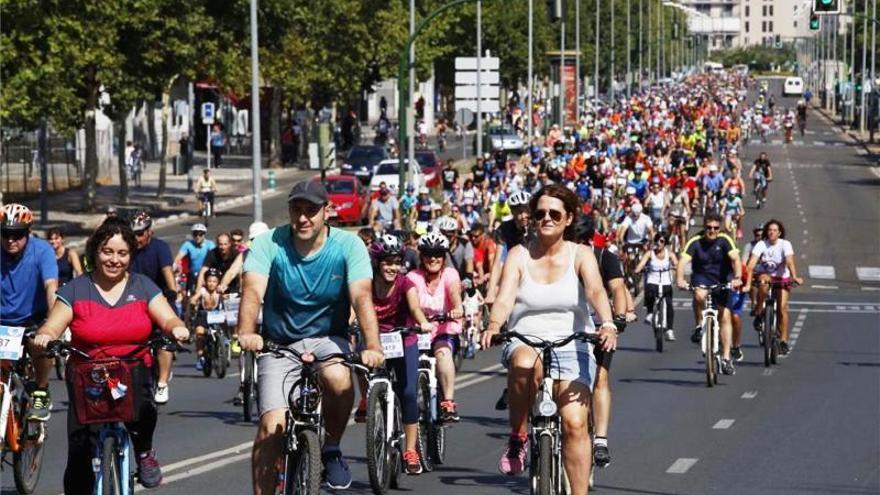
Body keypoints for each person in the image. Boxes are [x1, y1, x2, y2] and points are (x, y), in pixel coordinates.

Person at [238, 180, 384, 493]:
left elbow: (361, 296)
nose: (303, 218)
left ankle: (331, 447)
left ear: (326, 212)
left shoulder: (348, 246)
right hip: (280, 343)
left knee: (339, 379)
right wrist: (248, 332)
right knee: (271, 427)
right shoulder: (269, 243)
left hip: (328, 337)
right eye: (297, 209)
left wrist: (373, 346)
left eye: (311, 211)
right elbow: (252, 289)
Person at [32, 218, 189, 492]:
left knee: (144, 410)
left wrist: (177, 329)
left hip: (132, 370)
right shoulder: (76, 289)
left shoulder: (143, 286)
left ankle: (144, 452)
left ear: (130, 255)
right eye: (108, 252)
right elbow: (54, 323)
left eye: (122, 253)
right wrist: (47, 335)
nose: (114, 260)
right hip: (87, 375)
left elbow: (168, 318)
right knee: (80, 452)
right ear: (95, 252)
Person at [480, 185, 617, 495]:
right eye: (540, 213)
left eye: (554, 213)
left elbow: (596, 291)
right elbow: (504, 297)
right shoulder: (519, 254)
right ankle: (518, 436)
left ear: (568, 218)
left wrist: (607, 323)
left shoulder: (581, 254)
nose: (546, 218)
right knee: (525, 362)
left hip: (572, 341)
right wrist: (494, 324)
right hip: (525, 337)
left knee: (574, 422)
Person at [368, 234, 423, 474]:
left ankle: (410, 450)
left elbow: (414, 307)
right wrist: (348, 321)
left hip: (404, 338)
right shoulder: (366, 283)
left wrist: (422, 322)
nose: (392, 267)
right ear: (377, 263)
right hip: (375, 339)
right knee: (356, 362)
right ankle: (366, 403)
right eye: (387, 262)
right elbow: (354, 307)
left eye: (396, 262)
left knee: (408, 391)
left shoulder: (405, 283)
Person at [0, 204, 58, 421]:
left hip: (32, 320)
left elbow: (51, 287)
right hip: (2, 322)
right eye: (5, 234)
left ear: (28, 232)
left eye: (17, 235)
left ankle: (41, 390)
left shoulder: (42, 251)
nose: (10, 240)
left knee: (39, 344)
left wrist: (52, 326)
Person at [405, 231, 464, 422]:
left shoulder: (450, 274)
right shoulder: (413, 276)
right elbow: (413, 304)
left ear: (444, 256)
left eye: (438, 254)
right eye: (428, 254)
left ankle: (448, 401)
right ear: (421, 256)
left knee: (443, 354)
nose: (433, 258)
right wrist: (422, 322)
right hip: (419, 330)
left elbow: (454, 292)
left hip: (444, 329)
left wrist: (457, 307)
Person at [675, 212, 742, 376]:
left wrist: (738, 277)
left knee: (725, 317)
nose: (712, 231)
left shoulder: (725, 240)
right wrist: (679, 279)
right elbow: (683, 261)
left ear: (719, 228)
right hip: (701, 277)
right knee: (698, 295)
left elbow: (735, 259)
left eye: (715, 228)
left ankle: (726, 358)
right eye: (708, 227)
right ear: (704, 227)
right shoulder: (695, 241)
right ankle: (699, 325)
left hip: (722, 279)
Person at [743, 219, 804, 356]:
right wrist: (747, 279)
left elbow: (789, 261)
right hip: (766, 275)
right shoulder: (761, 244)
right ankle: (759, 313)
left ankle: (783, 341)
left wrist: (795, 276)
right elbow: (752, 263)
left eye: (775, 230)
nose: (772, 232)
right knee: (763, 284)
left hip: (782, 277)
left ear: (780, 233)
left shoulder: (785, 244)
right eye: (770, 230)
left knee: (782, 309)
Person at [635, 232, 677, 340]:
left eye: (662, 241)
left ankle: (670, 330)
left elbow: (677, 264)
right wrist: (638, 270)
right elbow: (641, 264)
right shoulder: (650, 254)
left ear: (665, 243)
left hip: (666, 281)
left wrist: (675, 269)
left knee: (669, 304)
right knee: (649, 291)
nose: (658, 243)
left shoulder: (670, 254)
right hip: (653, 280)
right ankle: (649, 313)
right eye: (657, 240)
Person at [190, 267, 224, 371]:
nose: (211, 283)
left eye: (214, 281)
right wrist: (193, 301)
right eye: (209, 281)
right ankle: (200, 356)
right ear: (206, 281)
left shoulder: (219, 291)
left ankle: (224, 343)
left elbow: (227, 297)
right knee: (200, 333)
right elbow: (194, 298)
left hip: (216, 315)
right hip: (203, 315)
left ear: (218, 282)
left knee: (223, 326)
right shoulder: (203, 290)